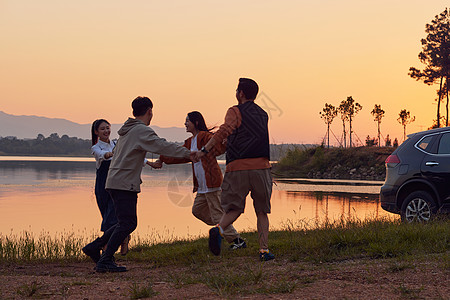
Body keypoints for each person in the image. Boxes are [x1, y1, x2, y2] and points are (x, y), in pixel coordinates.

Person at [82, 96, 193, 272]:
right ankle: (105, 259)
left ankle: (95, 248)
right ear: (150, 111)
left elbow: (130, 155)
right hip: (123, 182)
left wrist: (150, 163)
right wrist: (189, 154)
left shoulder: (127, 131)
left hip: (115, 181)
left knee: (123, 222)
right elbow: (161, 145)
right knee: (128, 223)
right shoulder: (141, 131)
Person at [195, 78, 274, 261]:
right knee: (262, 211)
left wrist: (204, 150)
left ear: (241, 93)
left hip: (237, 168)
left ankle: (219, 230)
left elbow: (224, 131)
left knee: (233, 209)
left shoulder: (234, 111)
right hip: (262, 167)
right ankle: (264, 251)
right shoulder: (263, 114)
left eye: (236, 90)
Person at [150, 111, 246, 250]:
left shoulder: (205, 137)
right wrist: (162, 159)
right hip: (201, 186)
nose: (185, 123)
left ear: (195, 122)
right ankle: (220, 229)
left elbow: (219, 146)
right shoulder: (190, 142)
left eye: (187, 120)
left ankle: (236, 240)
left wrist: (228, 140)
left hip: (212, 183)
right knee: (198, 210)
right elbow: (180, 155)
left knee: (216, 212)